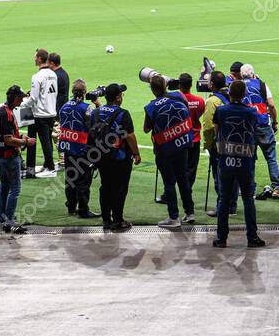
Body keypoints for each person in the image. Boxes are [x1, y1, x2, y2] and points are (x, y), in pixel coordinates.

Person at [212, 80, 265, 249]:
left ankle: (221, 238)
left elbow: (216, 131)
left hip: (226, 160)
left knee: (224, 199)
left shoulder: (220, 111)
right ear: (244, 94)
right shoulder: (251, 112)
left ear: (229, 93)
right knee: (248, 198)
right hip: (245, 161)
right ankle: (252, 237)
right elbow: (255, 130)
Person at [144, 74, 196, 228]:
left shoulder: (151, 106)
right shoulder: (179, 97)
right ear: (165, 86)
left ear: (153, 89)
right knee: (183, 180)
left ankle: (174, 217)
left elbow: (146, 129)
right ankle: (190, 212)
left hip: (164, 150)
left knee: (169, 182)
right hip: (181, 145)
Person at [95, 83, 140, 231]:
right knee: (119, 189)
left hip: (101, 157)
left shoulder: (97, 112)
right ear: (118, 98)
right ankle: (118, 220)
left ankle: (106, 220)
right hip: (119, 158)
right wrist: (136, 154)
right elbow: (130, 136)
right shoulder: (123, 114)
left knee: (105, 186)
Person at [0, 85, 34, 233]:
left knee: (4, 187)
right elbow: (9, 140)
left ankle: (3, 220)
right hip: (9, 157)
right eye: (21, 98)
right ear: (15, 98)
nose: (22, 100)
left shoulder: (1, 111)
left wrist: (20, 138)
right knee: (14, 189)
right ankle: (9, 221)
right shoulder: (7, 115)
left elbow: (6, 137)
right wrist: (25, 142)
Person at [56, 80, 99, 219]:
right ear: (84, 92)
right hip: (81, 149)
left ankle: (71, 206)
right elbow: (92, 128)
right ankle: (83, 209)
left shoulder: (64, 107)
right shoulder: (86, 108)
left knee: (70, 179)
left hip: (68, 148)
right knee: (83, 181)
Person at [240, 64, 279, 193]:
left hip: (246, 128)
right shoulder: (262, 85)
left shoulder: (237, 86)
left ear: (241, 75)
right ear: (253, 73)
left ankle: (249, 187)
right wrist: (275, 122)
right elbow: (271, 105)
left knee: (249, 158)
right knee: (271, 157)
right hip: (263, 124)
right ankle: (277, 186)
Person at [202, 70, 238, 218]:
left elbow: (209, 127)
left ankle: (221, 206)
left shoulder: (212, 101)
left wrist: (209, 145)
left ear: (211, 84)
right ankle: (232, 206)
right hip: (235, 141)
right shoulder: (232, 96)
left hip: (220, 144)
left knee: (220, 177)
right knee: (234, 175)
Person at [21, 48, 59, 179]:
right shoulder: (53, 74)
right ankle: (37, 167)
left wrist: (21, 104)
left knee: (39, 141)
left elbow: (34, 98)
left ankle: (50, 167)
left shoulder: (37, 77)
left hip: (39, 114)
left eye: (35, 57)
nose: (34, 59)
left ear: (39, 59)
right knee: (46, 140)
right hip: (51, 112)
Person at [177, 73, 205, 188]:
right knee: (191, 168)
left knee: (177, 166)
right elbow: (200, 113)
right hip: (194, 138)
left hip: (179, 138)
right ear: (191, 85)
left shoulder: (175, 100)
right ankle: (188, 191)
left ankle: (169, 193)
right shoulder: (199, 101)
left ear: (179, 85)